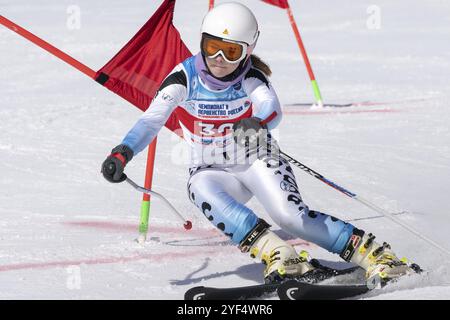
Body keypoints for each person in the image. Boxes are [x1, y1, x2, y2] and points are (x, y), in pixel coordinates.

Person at [101, 2, 417, 284]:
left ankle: (375, 255)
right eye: (211, 47)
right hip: (214, 169)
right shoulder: (184, 77)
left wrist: (259, 123)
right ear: (202, 42)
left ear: (248, 51)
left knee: (291, 218)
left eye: (231, 51)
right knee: (198, 187)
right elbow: (151, 119)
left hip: (256, 160)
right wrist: (123, 151)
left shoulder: (251, 77)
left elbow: (271, 107)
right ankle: (281, 255)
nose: (219, 58)